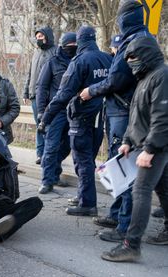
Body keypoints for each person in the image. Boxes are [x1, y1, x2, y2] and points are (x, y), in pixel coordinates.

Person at [80, 1, 152, 240]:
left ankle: (124, 228)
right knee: (118, 163)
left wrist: (91, 90)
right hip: (122, 109)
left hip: (123, 110)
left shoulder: (134, 42)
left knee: (124, 167)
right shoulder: (140, 38)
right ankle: (116, 213)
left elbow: (116, 79)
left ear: (126, 18)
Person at [101, 37, 168, 262]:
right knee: (163, 189)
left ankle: (131, 244)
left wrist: (149, 149)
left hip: (157, 145)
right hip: (145, 144)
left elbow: (162, 117)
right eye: (127, 59)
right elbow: (136, 115)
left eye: (133, 58)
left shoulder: (162, 76)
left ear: (146, 55)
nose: (130, 63)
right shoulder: (145, 78)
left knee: (141, 191)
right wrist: (128, 140)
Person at [40, 26, 112, 216]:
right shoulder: (108, 58)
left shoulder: (79, 62)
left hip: (82, 117)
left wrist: (45, 117)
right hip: (102, 118)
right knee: (89, 159)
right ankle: (84, 196)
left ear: (80, 41)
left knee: (82, 160)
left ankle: (87, 204)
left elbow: (63, 95)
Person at [36, 32, 77, 194]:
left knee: (68, 145)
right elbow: (42, 88)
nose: (72, 49)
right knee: (51, 146)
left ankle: (54, 172)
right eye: (69, 47)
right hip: (56, 111)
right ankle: (47, 180)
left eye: (75, 47)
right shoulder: (52, 62)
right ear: (62, 46)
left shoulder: (79, 61)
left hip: (74, 111)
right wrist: (41, 112)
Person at [24, 26, 56, 165]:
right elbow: (30, 73)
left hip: (50, 96)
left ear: (47, 37)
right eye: (37, 37)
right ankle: (40, 153)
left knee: (49, 125)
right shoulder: (35, 52)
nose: (39, 40)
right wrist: (26, 92)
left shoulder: (55, 52)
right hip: (34, 95)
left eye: (41, 37)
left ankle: (50, 153)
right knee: (39, 125)